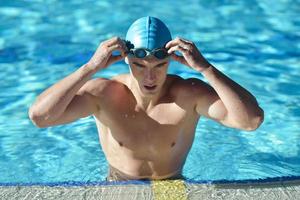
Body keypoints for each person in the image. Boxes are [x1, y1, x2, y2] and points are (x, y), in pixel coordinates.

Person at [28, 16, 264, 181]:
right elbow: (40, 117)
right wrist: (90, 68)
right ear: (126, 60)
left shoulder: (189, 95)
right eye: (139, 65)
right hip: (118, 185)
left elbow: (250, 121)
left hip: (171, 186)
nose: (149, 76)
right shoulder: (103, 94)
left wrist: (206, 68)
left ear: (171, 60)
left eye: (160, 65)